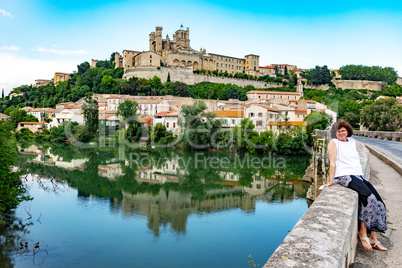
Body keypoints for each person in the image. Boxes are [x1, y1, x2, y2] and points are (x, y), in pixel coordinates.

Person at [322, 120, 387, 251]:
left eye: (343, 131)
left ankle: (373, 237)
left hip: (358, 175)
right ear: (335, 133)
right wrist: (330, 181)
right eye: (338, 131)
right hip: (345, 176)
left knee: (379, 202)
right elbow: (333, 163)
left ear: (348, 131)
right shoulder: (333, 143)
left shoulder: (352, 142)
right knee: (370, 199)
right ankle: (363, 234)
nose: (341, 133)